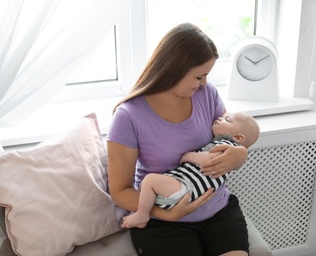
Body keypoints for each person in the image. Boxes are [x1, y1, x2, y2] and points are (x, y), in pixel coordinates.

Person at [107, 23, 251, 256]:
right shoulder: (128, 116)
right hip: (162, 223)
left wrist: (241, 154)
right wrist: (166, 213)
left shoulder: (207, 94)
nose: (204, 83)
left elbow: (231, 139)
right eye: (199, 76)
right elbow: (120, 191)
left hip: (218, 211)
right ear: (175, 68)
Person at [121, 111, 259, 229]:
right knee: (150, 185)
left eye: (227, 119)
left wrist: (188, 156)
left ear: (238, 137)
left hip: (186, 188)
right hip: (189, 191)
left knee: (149, 180)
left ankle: (142, 215)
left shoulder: (226, 145)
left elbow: (209, 160)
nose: (220, 118)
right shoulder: (224, 145)